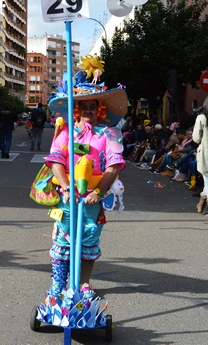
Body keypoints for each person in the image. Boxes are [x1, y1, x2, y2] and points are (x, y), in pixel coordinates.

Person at [44, 76, 127, 301]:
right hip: (67, 196)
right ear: (77, 110)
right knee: (63, 240)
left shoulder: (109, 133)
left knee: (89, 240)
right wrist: (66, 188)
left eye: (93, 106)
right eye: (84, 106)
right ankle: (58, 284)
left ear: (99, 110)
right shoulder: (66, 132)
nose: (88, 110)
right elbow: (56, 161)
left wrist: (98, 192)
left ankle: (83, 283)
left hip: (93, 198)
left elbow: (114, 165)